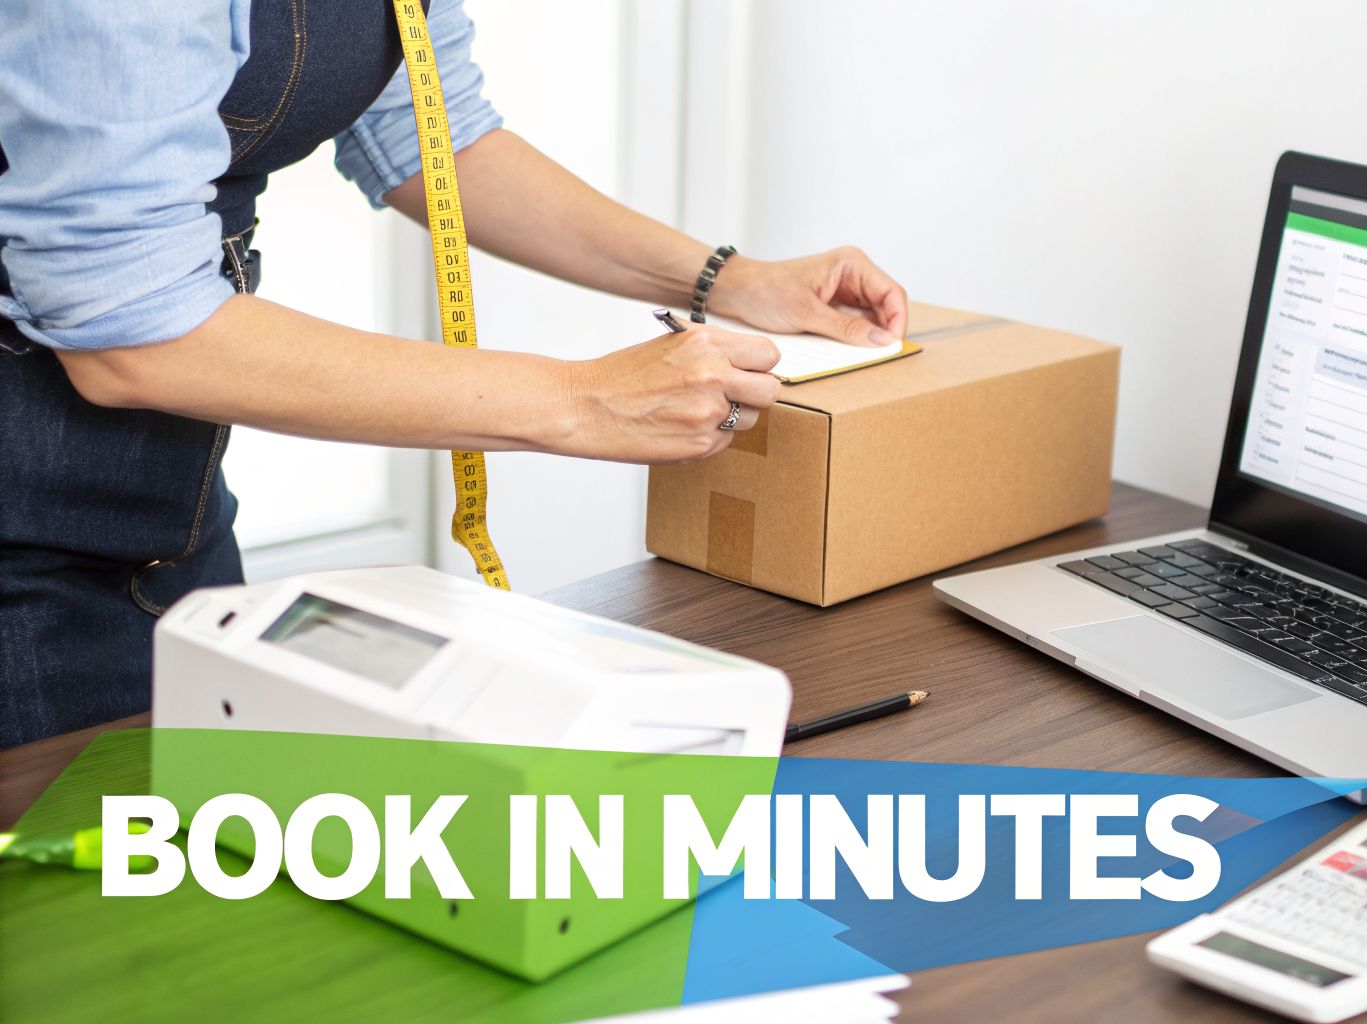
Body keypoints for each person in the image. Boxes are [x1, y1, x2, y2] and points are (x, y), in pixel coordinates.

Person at [0, 0, 909, 748]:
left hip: (163, 497)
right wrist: (576, 400)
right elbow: (127, 328)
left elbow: (435, 136)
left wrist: (730, 280)